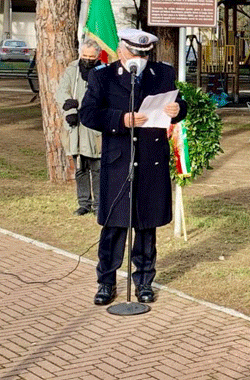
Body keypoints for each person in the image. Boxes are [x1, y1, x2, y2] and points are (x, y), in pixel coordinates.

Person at [80, 29, 187, 305]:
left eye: (144, 54)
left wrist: (178, 110)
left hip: (151, 161)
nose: (139, 58)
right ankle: (106, 282)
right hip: (119, 162)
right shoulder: (102, 76)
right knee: (114, 227)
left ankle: (144, 282)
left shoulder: (161, 74)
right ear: (121, 50)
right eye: (134, 53)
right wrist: (121, 119)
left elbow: (178, 102)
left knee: (146, 226)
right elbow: (88, 114)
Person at [56, 39, 102, 216]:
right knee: (80, 167)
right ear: (80, 53)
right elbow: (62, 92)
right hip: (76, 126)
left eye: (92, 57)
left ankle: (99, 204)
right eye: (85, 56)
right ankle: (84, 203)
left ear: (98, 56)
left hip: (94, 127)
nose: (88, 59)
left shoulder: (103, 71)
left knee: (97, 167)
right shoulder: (72, 70)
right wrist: (70, 109)